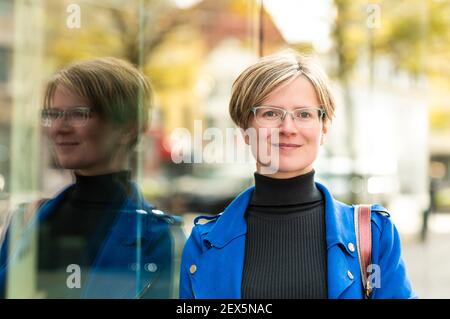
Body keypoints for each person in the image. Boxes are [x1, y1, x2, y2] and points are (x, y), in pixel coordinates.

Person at [179, 50, 415, 299]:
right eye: (270, 113)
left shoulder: (374, 235)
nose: (288, 128)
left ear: (323, 128)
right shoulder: (203, 244)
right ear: (245, 130)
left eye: (304, 114)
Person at [0, 57, 184, 298]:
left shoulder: (159, 237)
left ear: (128, 128)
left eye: (79, 114)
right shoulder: (24, 219)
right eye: (53, 114)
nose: (58, 127)